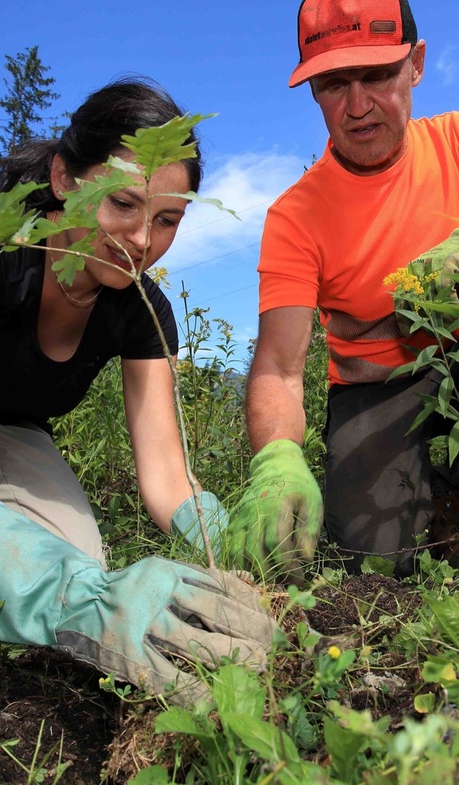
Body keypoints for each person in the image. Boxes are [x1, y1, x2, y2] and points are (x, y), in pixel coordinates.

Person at [229, 0, 459, 579]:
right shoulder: (295, 217)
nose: (356, 106)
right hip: (373, 392)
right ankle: (421, 493)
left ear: (416, 65)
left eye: (376, 74)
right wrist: (277, 457)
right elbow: (278, 366)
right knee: (376, 566)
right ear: (314, 92)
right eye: (333, 85)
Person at [0, 78, 275, 705]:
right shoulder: (9, 251)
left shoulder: (139, 310)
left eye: (168, 219)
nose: (143, 241)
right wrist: (62, 590)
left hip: (15, 433)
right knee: (59, 588)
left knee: (81, 560)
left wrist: (227, 544)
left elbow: (167, 477)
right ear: (65, 179)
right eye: (122, 203)